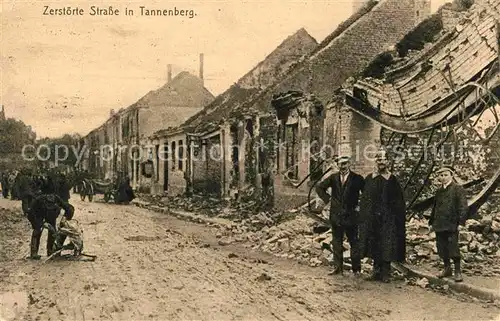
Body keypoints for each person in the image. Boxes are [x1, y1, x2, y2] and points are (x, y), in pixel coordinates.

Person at [358, 150, 406, 282]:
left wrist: (396, 217)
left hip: (387, 219)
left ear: (388, 162)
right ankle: (376, 271)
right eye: (378, 160)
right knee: (373, 243)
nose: (381, 162)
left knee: (386, 244)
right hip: (372, 218)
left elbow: (399, 201)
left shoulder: (392, 180)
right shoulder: (369, 178)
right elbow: (365, 198)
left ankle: (386, 273)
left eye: (383, 160)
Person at [315, 155, 365, 276]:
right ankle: (338, 268)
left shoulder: (357, 178)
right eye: (340, 164)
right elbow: (319, 187)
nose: (342, 167)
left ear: (349, 164)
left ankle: (356, 270)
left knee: (354, 242)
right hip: (336, 215)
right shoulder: (333, 177)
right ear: (337, 165)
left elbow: (366, 193)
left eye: (345, 164)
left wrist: (360, 206)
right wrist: (328, 200)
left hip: (351, 215)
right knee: (337, 242)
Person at [428, 165, 468, 282]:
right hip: (440, 224)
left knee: (453, 247)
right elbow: (435, 208)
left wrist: (461, 222)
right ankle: (447, 268)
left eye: (446, 175)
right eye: (441, 175)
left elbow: (463, 207)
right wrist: (431, 222)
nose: (443, 177)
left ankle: (457, 271)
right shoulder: (439, 191)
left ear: (451, 175)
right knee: (442, 247)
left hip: (452, 224)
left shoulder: (458, 189)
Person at [27, 176, 74, 260]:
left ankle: (50, 250)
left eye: (51, 196)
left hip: (51, 217)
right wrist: (40, 224)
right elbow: (30, 213)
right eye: (48, 196)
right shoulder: (39, 200)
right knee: (37, 231)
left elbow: (68, 208)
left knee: (53, 232)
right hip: (39, 216)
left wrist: (66, 219)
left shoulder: (56, 198)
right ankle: (34, 253)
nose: (50, 198)